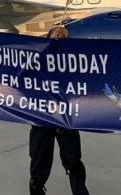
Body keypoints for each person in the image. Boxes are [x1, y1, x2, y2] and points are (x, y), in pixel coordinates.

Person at [29, 25, 89, 195]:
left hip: (65, 119)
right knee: (39, 162)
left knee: (73, 161)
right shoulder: (37, 59)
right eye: (55, 34)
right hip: (41, 117)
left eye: (62, 36)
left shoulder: (73, 62)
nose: (58, 36)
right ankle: (37, 190)